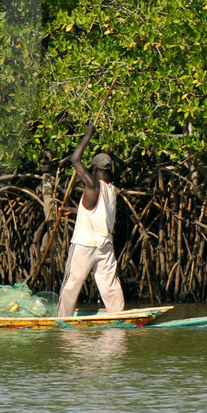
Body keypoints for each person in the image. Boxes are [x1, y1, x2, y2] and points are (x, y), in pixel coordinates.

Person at [58, 123, 126, 317]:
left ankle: (62, 318)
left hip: (84, 245)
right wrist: (74, 210)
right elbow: (97, 214)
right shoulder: (112, 191)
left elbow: (75, 159)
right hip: (105, 246)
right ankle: (119, 315)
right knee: (110, 285)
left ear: (94, 169)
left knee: (72, 284)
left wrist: (88, 136)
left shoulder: (92, 185)